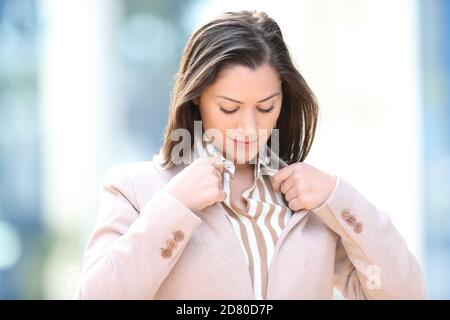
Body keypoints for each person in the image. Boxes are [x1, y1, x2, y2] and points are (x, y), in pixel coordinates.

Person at [76, 10, 426, 300]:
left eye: (265, 107)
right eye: (229, 108)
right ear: (197, 96)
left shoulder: (309, 202)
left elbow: (405, 293)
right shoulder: (135, 189)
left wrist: (341, 199)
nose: (249, 127)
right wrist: (174, 207)